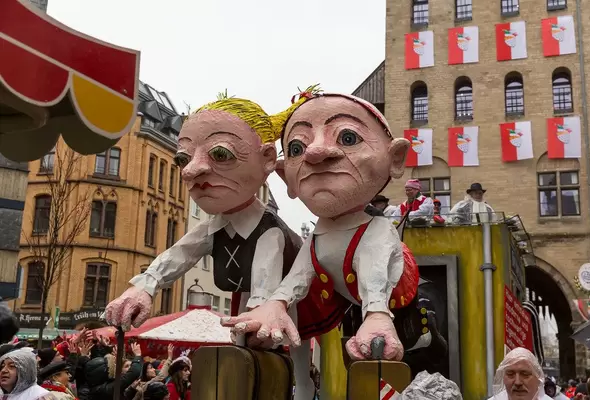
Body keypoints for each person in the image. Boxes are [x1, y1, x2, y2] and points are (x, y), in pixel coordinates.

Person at [222, 90, 445, 372]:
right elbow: (296, 280)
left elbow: (375, 273)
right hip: (353, 304)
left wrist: (377, 315)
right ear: (285, 177)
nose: (315, 152)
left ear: (395, 158)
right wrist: (274, 306)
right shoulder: (316, 237)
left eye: (348, 138)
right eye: (296, 148)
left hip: (396, 302)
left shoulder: (376, 228)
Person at [105, 94, 311, 398]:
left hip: (296, 310)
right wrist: (144, 286)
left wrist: (257, 318)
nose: (190, 171)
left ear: (268, 159)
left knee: (300, 365)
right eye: (183, 159)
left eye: (220, 154)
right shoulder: (216, 226)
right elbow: (180, 253)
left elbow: (264, 287)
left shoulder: (270, 231)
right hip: (250, 308)